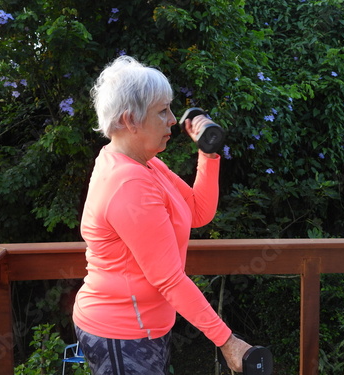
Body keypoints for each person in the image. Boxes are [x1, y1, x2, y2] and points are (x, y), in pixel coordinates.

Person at [72, 55, 252, 374]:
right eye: (162, 111)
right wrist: (228, 341)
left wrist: (208, 153)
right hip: (121, 333)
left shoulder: (146, 164)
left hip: (146, 327)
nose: (172, 120)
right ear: (130, 120)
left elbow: (198, 212)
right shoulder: (128, 183)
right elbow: (169, 279)